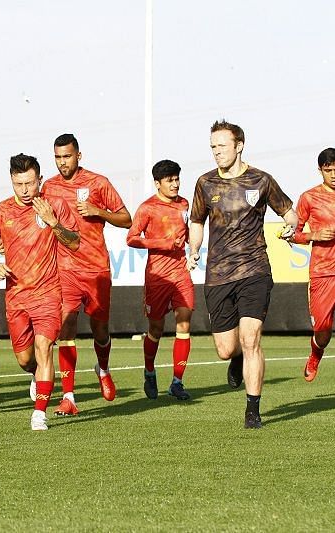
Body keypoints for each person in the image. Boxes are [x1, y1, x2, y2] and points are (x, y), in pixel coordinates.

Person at [188, 120, 296, 429]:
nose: (216, 152)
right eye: (212, 147)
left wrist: (291, 226)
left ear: (239, 145)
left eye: (222, 146)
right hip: (219, 273)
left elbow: (289, 211)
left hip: (254, 269)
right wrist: (194, 249)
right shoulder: (205, 183)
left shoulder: (261, 180)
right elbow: (196, 221)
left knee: (251, 339)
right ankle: (235, 358)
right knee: (226, 349)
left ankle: (253, 410)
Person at [0, 154, 79, 430]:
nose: (24, 190)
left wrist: (53, 222)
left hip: (48, 293)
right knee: (26, 358)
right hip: (16, 295)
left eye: (29, 183)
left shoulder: (54, 205)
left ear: (40, 180)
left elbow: (74, 243)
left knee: (44, 348)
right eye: (18, 184)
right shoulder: (0, 211)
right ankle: (36, 375)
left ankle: (39, 413)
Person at [41, 133, 132, 415]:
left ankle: (102, 368)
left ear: (78, 156)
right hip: (64, 269)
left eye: (67, 156)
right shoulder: (49, 187)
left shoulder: (98, 182)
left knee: (100, 329)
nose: (62, 163)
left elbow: (126, 219)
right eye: (57, 157)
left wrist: (98, 211)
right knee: (65, 329)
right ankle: (69, 396)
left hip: (96, 268)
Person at [126, 160, 194, 401]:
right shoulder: (147, 208)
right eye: (170, 180)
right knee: (156, 328)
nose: (175, 184)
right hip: (157, 276)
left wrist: (194, 248)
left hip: (181, 272)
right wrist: (161, 244)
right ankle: (150, 371)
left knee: (184, 322)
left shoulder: (184, 204)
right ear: (158, 183)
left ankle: (177, 382)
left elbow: (190, 233)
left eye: (177, 179)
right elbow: (131, 238)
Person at [292, 147, 335, 382]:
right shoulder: (309, 197)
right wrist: (314, 236)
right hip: (324, 273)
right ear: (320, 170)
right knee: (323, 332)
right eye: (328, 170)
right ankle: (315, 353)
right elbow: (292, 233)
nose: (334, 174)